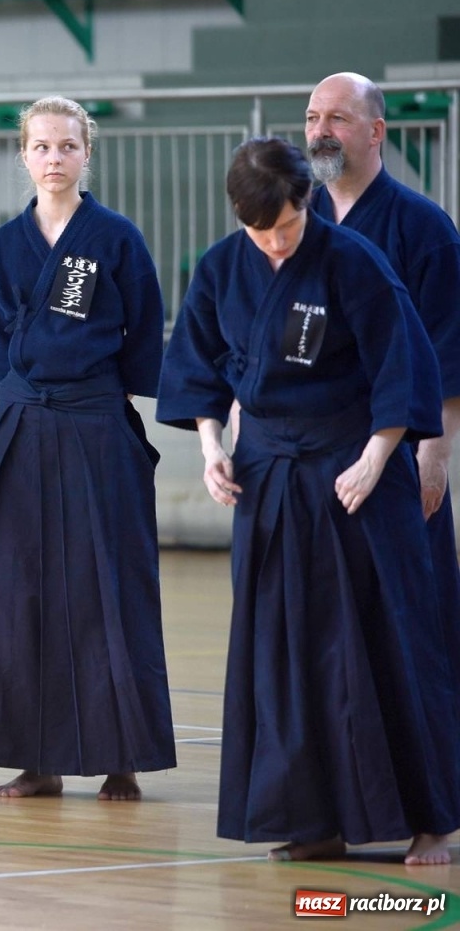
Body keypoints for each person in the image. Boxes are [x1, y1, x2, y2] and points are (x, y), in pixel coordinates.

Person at [158, 136, 459, 864]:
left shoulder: (355, 262)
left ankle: (435, 820)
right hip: (268, 476)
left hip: (356, 471)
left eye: (287, 227)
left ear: (306, 201)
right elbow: (200, 369)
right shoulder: (222, 267)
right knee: (282, 648)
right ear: (239, 217)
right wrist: (211, 450)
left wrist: (377, 457)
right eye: (260, 232)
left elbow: (402, 366)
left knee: (386, 637)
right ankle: (311, 819)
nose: (275, 243)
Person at [0, 96, 175, 801]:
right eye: (41, 147)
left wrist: (110, 402)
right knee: (18, 593)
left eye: (67, 146)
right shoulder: (6, 245)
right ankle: (33, 759)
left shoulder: (117, 238)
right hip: (23, 424)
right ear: (23, 155)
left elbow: (145, 331)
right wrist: (17, 405)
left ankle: (119, 755)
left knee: (107, 586)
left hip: (96, 423)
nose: (54, 159)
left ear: (87, 153)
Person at [305, 71, 460, 665]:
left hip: (394, 451)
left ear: (376, 132)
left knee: (406, 614)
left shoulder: (423, 228)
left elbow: (447, 353)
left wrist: (434, 458)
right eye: (314, 118)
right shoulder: (294, 225)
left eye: (337, 119)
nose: (321, 132)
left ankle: (419, 750)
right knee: (320, 617)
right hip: (310, 453)